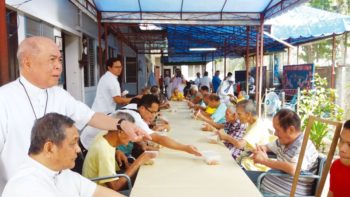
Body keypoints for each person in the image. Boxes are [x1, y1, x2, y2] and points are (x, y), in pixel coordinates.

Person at [0, 36, 148, 194]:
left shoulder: (59, 94)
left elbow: (91, 117)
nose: (59, 67)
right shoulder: (5, 99)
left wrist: (122, 124)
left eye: (60, 60)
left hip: (60, 183)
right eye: (52, 60)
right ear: (27, 62)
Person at [2, 113, 123, 197]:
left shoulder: (62, 173)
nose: (78, 150)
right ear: (49, 148)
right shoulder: (25, 187)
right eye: (73, 143)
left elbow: (99, 193)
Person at [83, 112, 157, 195]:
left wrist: (117, 151)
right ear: (120, 132)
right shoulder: (103, 151)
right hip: (98, 192)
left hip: (106, 181)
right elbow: (115, 187)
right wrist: (138, 161)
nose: (132, 137)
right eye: (131, 132)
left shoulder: (105, 134)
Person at [250, 109, 318, 196]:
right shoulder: (283, 141)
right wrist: (261, 149)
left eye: (277, 130)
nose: (275, 133)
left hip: (283, 194)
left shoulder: (304, 146)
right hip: (267, 188)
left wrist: (264, 160)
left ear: (291, 130)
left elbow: (293, 169)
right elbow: (267, 147)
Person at [328, 120, 350, 197]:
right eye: (341, 141)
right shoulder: (336, 165)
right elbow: (331, 194)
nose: (342, 149)